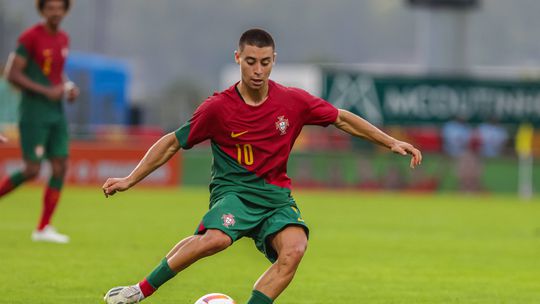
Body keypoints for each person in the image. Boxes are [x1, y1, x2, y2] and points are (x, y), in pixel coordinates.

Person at [102, 28, 422, 304]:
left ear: (274, 61)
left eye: (265, 62)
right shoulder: (217, 108)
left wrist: (389, 141)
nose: (258, 70)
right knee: (215, 239)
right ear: (238, 58)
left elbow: (341, 118)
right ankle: (139, 291)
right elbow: (173, 141)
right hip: (235, 192)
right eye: (251, 61)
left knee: (295, 249)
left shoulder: (292, 102)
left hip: (275, 197)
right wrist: (130, 179)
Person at [0, 0, 79, 243]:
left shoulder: (63, 38)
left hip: (56, 112)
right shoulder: (30, 37)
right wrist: (46, 92)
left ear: (65, 10)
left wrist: (68, 87)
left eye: (59, 8)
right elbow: (12, 73)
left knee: (60, 166)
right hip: (34, 112)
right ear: (42, 10)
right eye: (50, 8)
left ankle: (44, 227)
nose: (55, 12)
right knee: (32, 170)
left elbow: (55, 74)